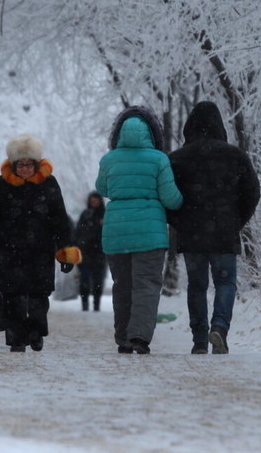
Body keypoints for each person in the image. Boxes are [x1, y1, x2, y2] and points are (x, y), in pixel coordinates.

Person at [168, 101, 260, 354]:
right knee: (226, 283)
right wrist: (236, 222)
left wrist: (180, 223)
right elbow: (252, 193)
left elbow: (165, 196)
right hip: (224, 233)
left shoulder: (176, 159)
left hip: (192, 234)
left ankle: (199, 340)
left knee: (196, 286)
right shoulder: (236, 156)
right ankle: (219, 328)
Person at [95, 106, 183, 354]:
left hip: (117, 232)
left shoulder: (109, 159)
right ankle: (139, 337)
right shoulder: (159, 159)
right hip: (150, 233)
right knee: (146, 285)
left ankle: (123, 337)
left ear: (119, 133)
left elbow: (102, 188)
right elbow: (171, 198)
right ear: (151, 133)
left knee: (122, 285)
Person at [0, 134, 82, 352]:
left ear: (36, 165)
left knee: (38, 295)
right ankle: (17, 338)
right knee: (12, 295)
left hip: (40, 250)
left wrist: (65, 248)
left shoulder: (49, 183)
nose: (25, 168)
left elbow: (59, 218)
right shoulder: (2, 184)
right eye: (21, 164)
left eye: (29, 164)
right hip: (9, 251)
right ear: (14, 165)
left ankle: (36, 332)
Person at [74, 191, 107, 312]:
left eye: (96, 201)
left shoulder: (104, 215)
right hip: (85, 252)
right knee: (85, 280)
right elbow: (78, 232)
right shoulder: (85, 215)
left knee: (98, 280)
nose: (94, 203)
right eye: (92, 201)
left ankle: (96, 305)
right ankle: (85, 305)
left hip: (100, 252)